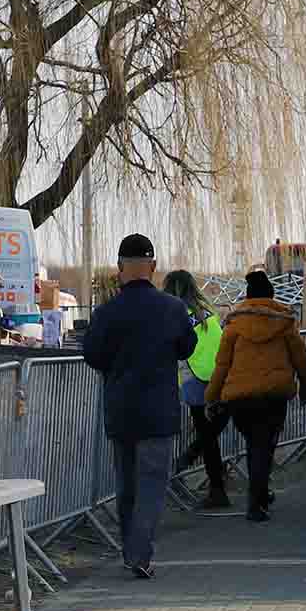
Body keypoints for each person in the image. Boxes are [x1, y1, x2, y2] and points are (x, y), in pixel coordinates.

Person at [83, 234, 197, 577]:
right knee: (151, 485)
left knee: (126, 485)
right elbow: (187, 348)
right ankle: (139, 553)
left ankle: (129, 549)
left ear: (119, 268)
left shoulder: (105, 312)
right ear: (154, 267)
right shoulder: (173, 309)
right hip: (159, 411)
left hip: (120, 410)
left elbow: (92, 355)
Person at [206, 271, 306, 522]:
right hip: (274, 394)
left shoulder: (234, 325)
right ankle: (257, 501)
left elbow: (222, 365)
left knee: (255, 444)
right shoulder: (285, 322)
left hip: (240, 397)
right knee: (264, 446)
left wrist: (212, 396)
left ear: (248, 295)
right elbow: (301, 359)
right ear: (271, 294)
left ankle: (260, 494)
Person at [164, 269, 231, 510]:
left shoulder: (174, 312)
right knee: (210, 433)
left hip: (195, 379)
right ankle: (203, 469)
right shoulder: (206, 310)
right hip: (221, 376)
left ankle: (214, 486)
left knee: (207, 436)